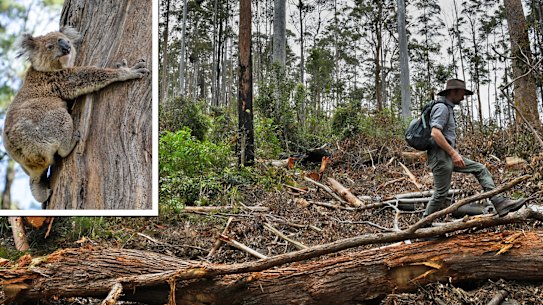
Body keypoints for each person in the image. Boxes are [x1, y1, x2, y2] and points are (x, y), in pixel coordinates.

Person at [424, 79, 525, 217]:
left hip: (446, 155)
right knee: (441, 194)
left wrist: (453, 154)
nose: (463, 97)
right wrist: (453, 153)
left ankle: (499, 202)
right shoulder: (441, 108)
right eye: (462, 93)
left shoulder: (447, 108)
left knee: (480, 169)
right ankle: (425, 224)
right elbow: (435, 133)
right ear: (453, 92)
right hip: (441, 156)